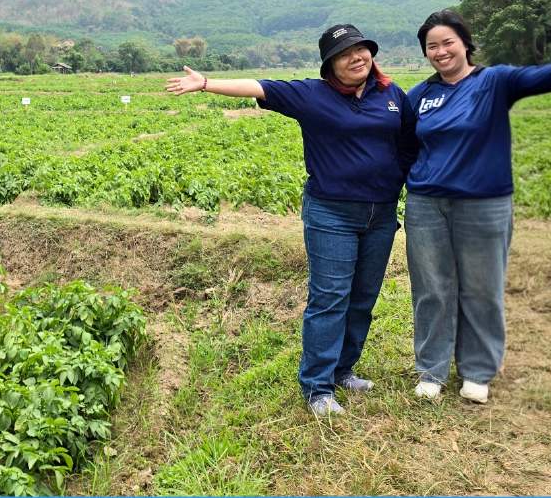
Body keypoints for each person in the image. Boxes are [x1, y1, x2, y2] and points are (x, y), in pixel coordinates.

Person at [166, 25, 417, 415]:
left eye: (362, 50)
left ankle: (343, 371)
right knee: (330, 298)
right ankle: (318, 387)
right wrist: (205, 84)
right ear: (330, 64)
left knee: (363, 298)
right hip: (331, 213)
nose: (357, 58)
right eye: (346, 53)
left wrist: (396, 176)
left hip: (381, 214)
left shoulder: (392, 94)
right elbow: (260, 86)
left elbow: (409, 140)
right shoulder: (311, 95)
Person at [405, 9, 551, 403]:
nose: (441, 51)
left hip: (484, 204)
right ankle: (431, 370)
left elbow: (540, 77)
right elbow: (399, 142)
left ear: (465, 42)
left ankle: (478, 371)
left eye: (448, 42)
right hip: (427, 203)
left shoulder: (494, 81)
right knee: (432, 289)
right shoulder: (420, 96)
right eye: (433, 46)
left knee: (482, 289)